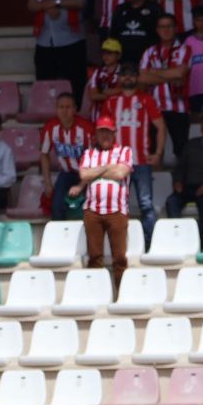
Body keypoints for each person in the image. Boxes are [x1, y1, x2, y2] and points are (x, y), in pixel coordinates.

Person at [97, 65, 165, 239]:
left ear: (137, 78)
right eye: (124, 75)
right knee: (118, 205)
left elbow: (161, 126)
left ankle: (149, 243)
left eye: (132, 74)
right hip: (118, 163)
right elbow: (102, 131)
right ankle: (121, 242)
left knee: (146, 204)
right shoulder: (111, 102)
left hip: (141, 161)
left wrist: (157, 153)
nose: (128, 78)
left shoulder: (146, 99)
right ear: (119, 78)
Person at [71, 117, 134, 290]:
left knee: (119, 257)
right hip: (92, 211)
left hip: (117, 210)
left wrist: (95, 172)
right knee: (95, 256)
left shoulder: (125, 151)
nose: (104, 135)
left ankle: (122, 293)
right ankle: (95, 293)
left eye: (108, 131)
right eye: (101, 131)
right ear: (96, 134)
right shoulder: (88, 153)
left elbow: (121, 173)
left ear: (114, 133)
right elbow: (84, 176)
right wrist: (108, 167)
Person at [165, 110, 203, 241]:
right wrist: (177, 181)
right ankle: (176, 237)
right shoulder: (191, 144)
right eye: (202, 122)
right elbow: (180, 167)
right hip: (189, 187)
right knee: (172, 201)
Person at [139, 14, 192, 160]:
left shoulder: (185, 49)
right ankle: (154, 182)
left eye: (169, 26)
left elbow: (181, 72)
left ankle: (180, 182)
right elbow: (142, 78)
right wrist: (170, 75)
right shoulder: (149, 51)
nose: (166, 30)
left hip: (178, 106)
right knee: (153, 150)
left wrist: (153, 73)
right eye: (162, 27)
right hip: (153, 107)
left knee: (181, 151)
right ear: (157, 30)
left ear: (175, 29)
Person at [39, 91, 94, 220]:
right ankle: (60, 237)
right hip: (66, 172)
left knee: (89, 207)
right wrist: (48, 183)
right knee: (56, 205)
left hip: (88, 173)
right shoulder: (50, 127)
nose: (64, 111)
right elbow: (44, 154)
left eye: (68, 107)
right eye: (61, 107)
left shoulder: (87, 128)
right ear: (56, 109)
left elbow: (94, 160)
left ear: (75, 109)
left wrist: (82, 185)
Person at [30, 0, 88, 104]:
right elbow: (31, 4)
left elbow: (80, 3)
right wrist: (48, 7)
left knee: (75, 86)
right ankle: (48, 117)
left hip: (72, 41)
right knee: (45, 85)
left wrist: (57, 2)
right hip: (45, 42)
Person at [110, 0, 160, 67]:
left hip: (148, 61)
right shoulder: (120, 9)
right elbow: (113, 35)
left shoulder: (154, 9)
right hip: (123, 61)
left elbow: (159, 35)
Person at [84, 38, 126, 112]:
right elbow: (93, 96)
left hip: (118, 110)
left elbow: (125, 93)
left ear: (119, 55)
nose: (106, 56)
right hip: (99, 111)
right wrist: (113, 93)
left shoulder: (124, 71)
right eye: (104, 53)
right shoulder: (97, 72)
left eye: (109, 53)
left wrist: (104, 93)